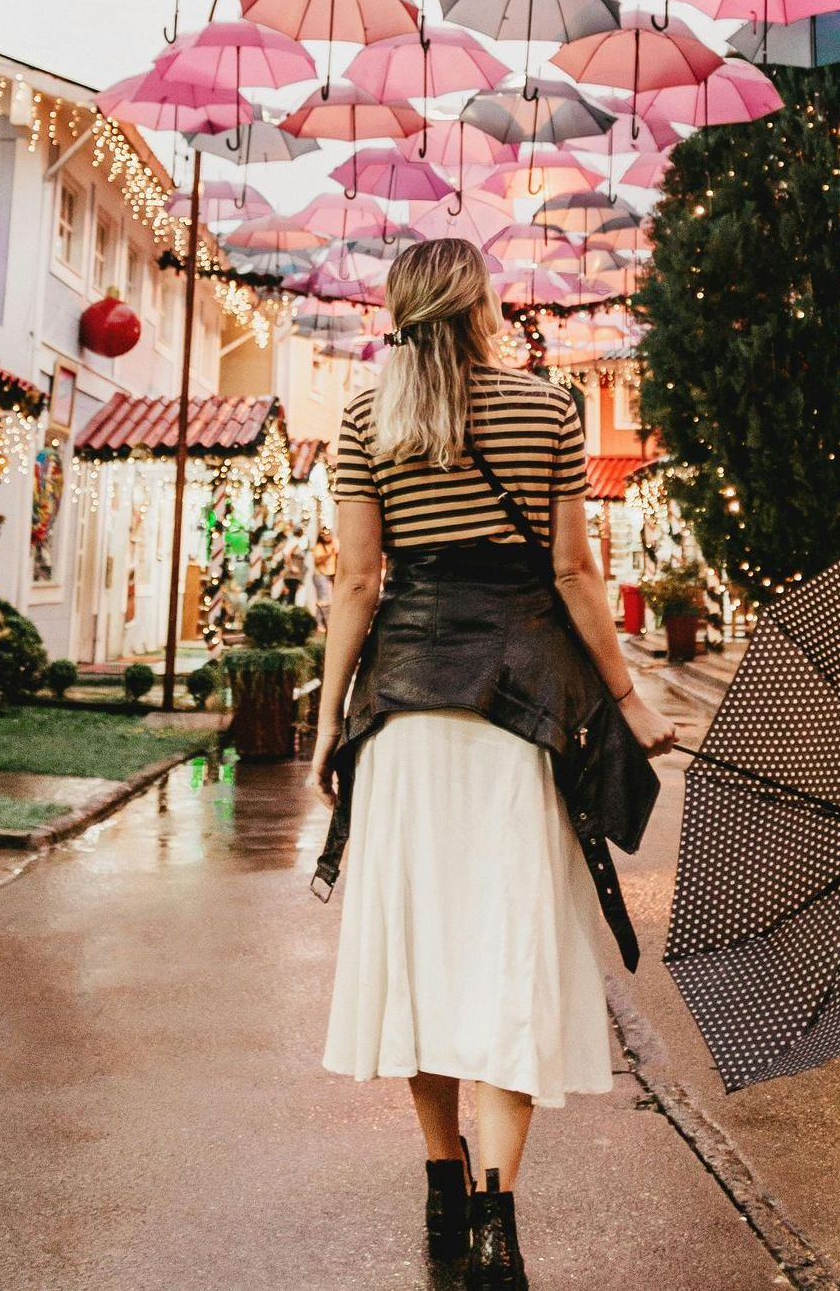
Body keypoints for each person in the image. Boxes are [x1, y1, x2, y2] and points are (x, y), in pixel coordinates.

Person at [310, 237, 677, 1289]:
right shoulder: (546, 410)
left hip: (405, 715)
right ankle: (495, 1223)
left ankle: (440, 1178)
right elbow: (572, 572)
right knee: (507, 950)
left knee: (419, 954)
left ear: (396, 311)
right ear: (480, 306)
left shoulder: (364, 417)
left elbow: (355, 583)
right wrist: (629, 696)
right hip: (518, 717)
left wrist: (333, 718)